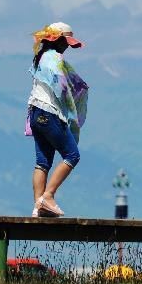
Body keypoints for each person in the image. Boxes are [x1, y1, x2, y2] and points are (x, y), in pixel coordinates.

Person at [26, 22, 88, 218]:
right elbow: (61, 87)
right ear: (59, 40)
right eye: (66, 42)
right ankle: (48, 196)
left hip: (35, 112)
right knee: (72, 155)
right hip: (49, 112)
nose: (67, 46)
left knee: (42, 162)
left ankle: (38, 205)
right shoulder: (55, 58)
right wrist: (70, 104)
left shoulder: (40, 57)